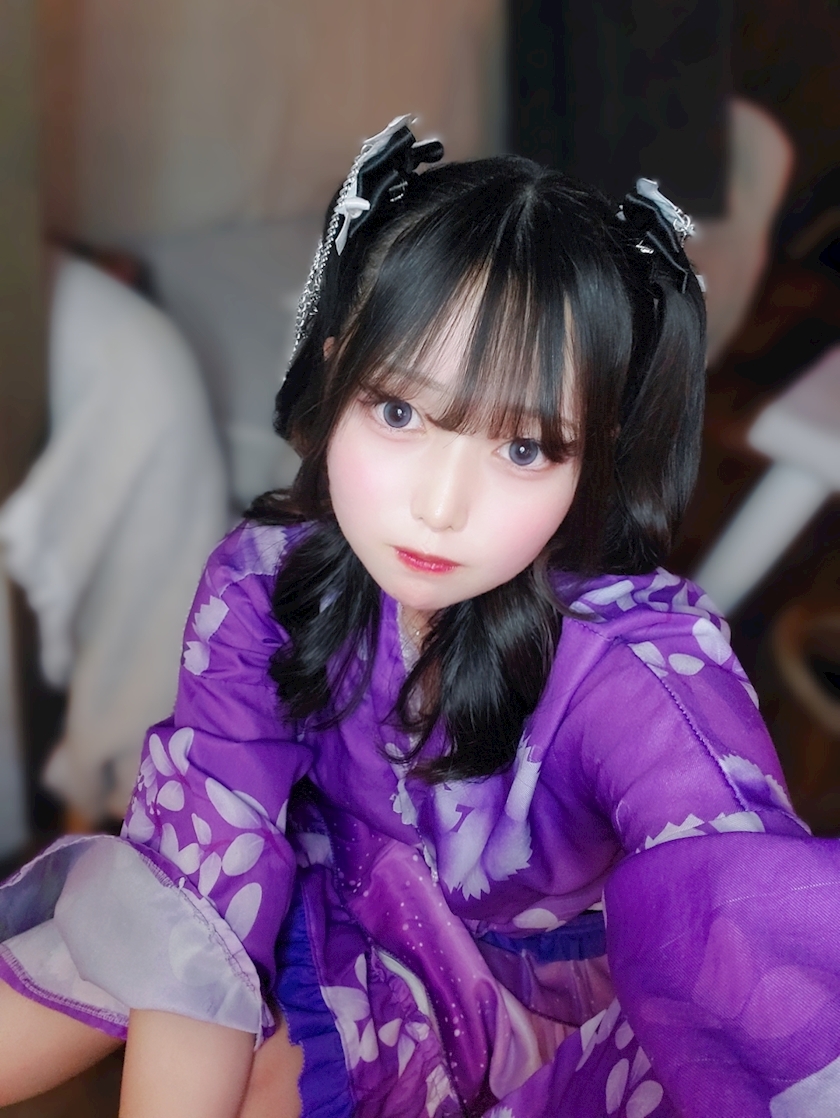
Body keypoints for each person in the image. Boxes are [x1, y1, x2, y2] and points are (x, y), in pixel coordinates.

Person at [1, 116, 839, 1118]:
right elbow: (197, 888)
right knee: (125, 955)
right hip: (322, 908)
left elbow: (744, 899)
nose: (440, 507)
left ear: (597, 456)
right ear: (336, 370)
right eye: (399, 413)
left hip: (519, 1019)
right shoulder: (269, 578)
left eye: (524, 448)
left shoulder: (638, 661)